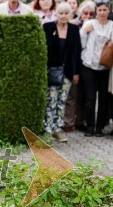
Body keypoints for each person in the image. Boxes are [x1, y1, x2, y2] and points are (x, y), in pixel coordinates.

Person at [43, 2, 81, 142]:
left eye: (66, 13)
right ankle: (47, 129)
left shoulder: (74, 29)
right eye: (61, 13)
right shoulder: (48, 27)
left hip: (68, 72)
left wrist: (76, 72)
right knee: (51, 100)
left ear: (70, 14)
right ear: (56, 14)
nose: (63, 16)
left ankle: (57, 129)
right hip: (52, 70)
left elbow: (77, 51)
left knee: (62, 101)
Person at [80, 0, 112, 137]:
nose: (102, 13)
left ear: (109, 11)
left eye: (105, 10)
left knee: (103, 98)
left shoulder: (112, 26)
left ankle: (99, 127)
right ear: (96, 11)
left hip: (105, 67)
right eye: (100, 10)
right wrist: (84, 32)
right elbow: (81, 42)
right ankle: (90, 126)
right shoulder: (90, 24)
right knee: (90, 98)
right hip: (89, 64)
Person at [66, 0, 96, 132]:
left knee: (84, 94)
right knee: (73, 93)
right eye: (85, 13)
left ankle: (80, 120)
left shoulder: (96, 26)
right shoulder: (73, 24)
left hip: (88, 64)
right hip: (74, 62)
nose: (88, 16)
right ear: (80, 12)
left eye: (91, 14)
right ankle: (69, 122)